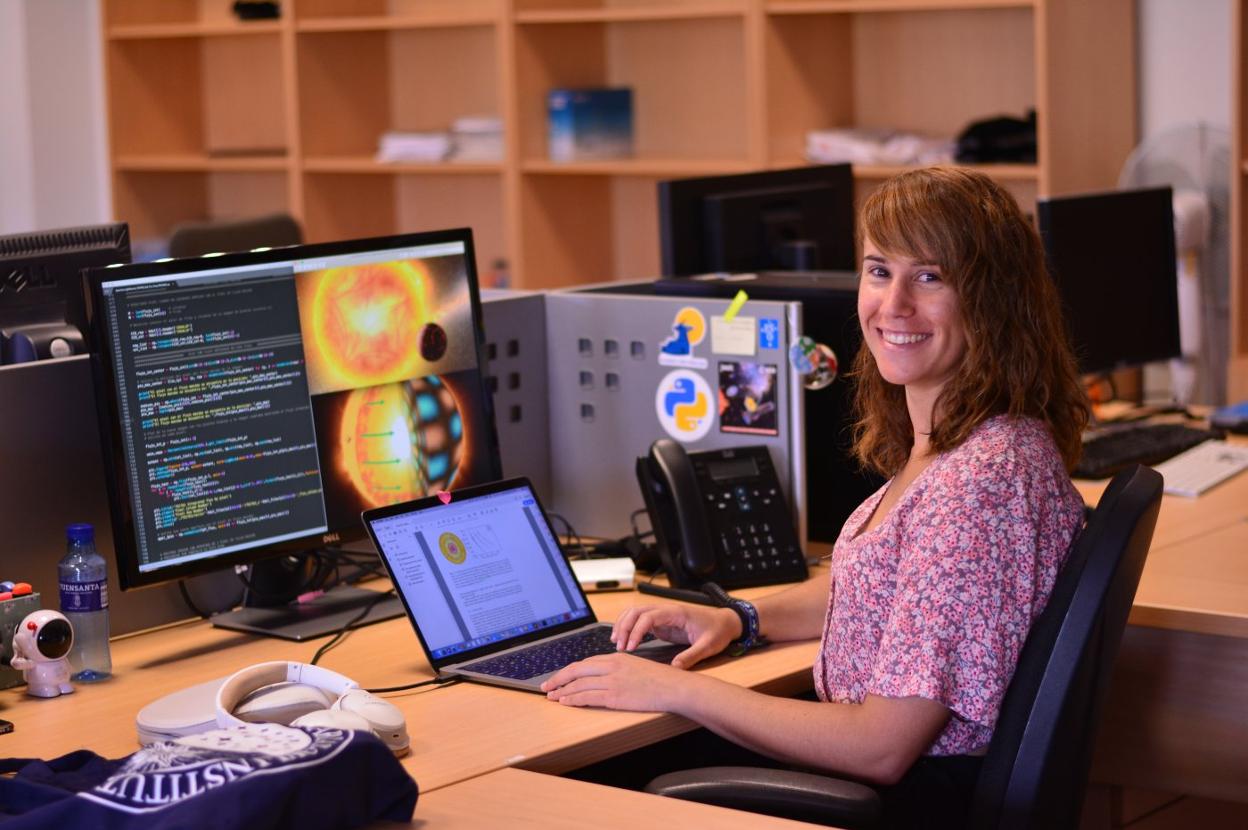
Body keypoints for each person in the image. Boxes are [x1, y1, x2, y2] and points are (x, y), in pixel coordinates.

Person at [541, 167, 1091, 827]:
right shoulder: (974, 440)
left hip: (903, 794)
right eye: (879, 270)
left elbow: (882, 748)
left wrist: (677, 688)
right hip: (903, 777)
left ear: (993, 299)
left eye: (931, 277)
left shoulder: (976, 485)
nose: (893, 307)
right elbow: (887, 593)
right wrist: (740, 618)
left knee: (581, 775)